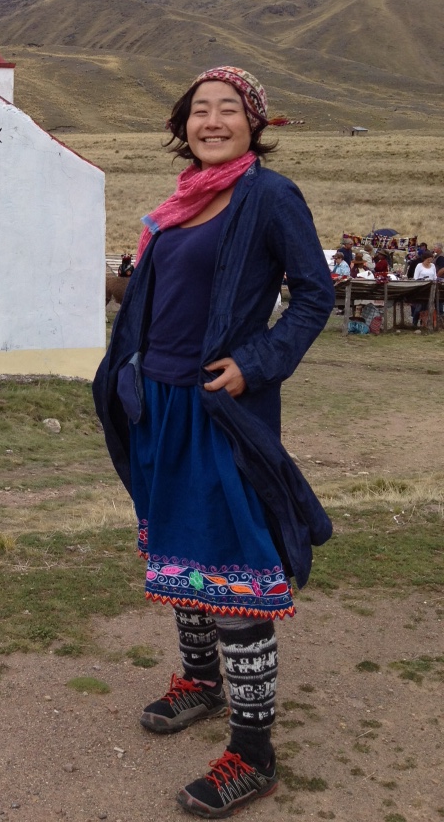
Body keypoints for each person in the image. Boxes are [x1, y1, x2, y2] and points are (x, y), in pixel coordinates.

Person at [93, 66, 334, 818]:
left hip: (217, 408)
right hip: (157, 406)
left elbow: (314, 293)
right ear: (183, 124)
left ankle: (253, 752)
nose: (212, 121)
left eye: (229, 110)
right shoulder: (176, 204)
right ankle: (200, 678)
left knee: (231, 566)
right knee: (176, 547)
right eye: (201, 110)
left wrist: (256, 363)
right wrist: (127, 370)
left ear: (254, 125)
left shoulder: (268, 196)